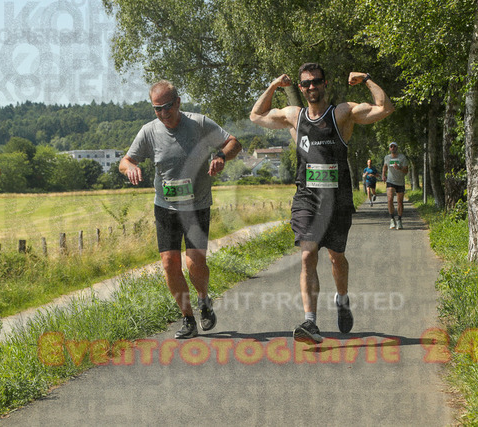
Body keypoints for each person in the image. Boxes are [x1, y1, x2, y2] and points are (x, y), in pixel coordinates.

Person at [250, 63, 394, 343]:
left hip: (337, 200)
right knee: (307, 255)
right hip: (307, 198)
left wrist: (366, 79)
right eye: (306, 83)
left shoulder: (341, 113)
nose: (311, 87)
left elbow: (385, 108)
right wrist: (273, 86)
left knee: (336, 257)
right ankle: (310, 322)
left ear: (325, 84)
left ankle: (342, 299)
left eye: (316, 81)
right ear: (301, 88)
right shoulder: (295, 116)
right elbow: (256, 115)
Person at [120, 80, 241, 339]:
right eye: (157, 109)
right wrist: (130, 167)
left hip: (197, 205)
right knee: (169, 263)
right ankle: (188, 319)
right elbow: (126, 160)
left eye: (167, 107)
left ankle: (203, 299)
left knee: (194, 262)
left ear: (178, 102)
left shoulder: (199, 124)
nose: (163, 113)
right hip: (165, 206)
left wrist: (221, 156)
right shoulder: (149, 132)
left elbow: (233, 142)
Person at [381, 142, 409, 230]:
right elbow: (385, 167)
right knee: (390, 199)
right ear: (389, 148)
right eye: (391, 146)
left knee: (400, 202)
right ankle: (392, 219)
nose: (392, 148)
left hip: (400, 182)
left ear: (397, 148)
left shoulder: (402, 157)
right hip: (390, 181)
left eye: (394, 146)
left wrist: (399, 168)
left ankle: (399, 220)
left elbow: (406, 170)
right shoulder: (387, 157)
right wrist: (383, 175)